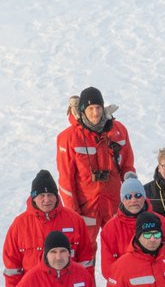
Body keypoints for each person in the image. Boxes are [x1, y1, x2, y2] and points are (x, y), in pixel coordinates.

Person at [3, 170, 95, 287]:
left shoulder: (74, 220)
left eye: (50, 194)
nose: (47, 199)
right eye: (42, 195)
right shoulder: (19, 225)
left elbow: (86, 259)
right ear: (33, 198)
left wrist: (86, 286)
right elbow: (12, 264)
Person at [56, 86, 136, 241]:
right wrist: (73, 212)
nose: (95, 113)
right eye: (91, 108)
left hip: (114, 203)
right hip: (86, 206)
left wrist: (132, 196)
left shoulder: (118, 130)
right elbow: (66, 180)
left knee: (118, 247)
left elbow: (127, 166)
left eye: (98, 107)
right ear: (82, 110)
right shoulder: (68, 137)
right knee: (84, 252)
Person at [99, 174, 165, 279]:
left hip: (158, 281)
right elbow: (108, 269)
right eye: (128, 196)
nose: (133, 200)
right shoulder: (110, 229)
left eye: (138, 195)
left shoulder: (161, 222)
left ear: (144, 197)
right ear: (122, 200)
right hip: (127, 284)